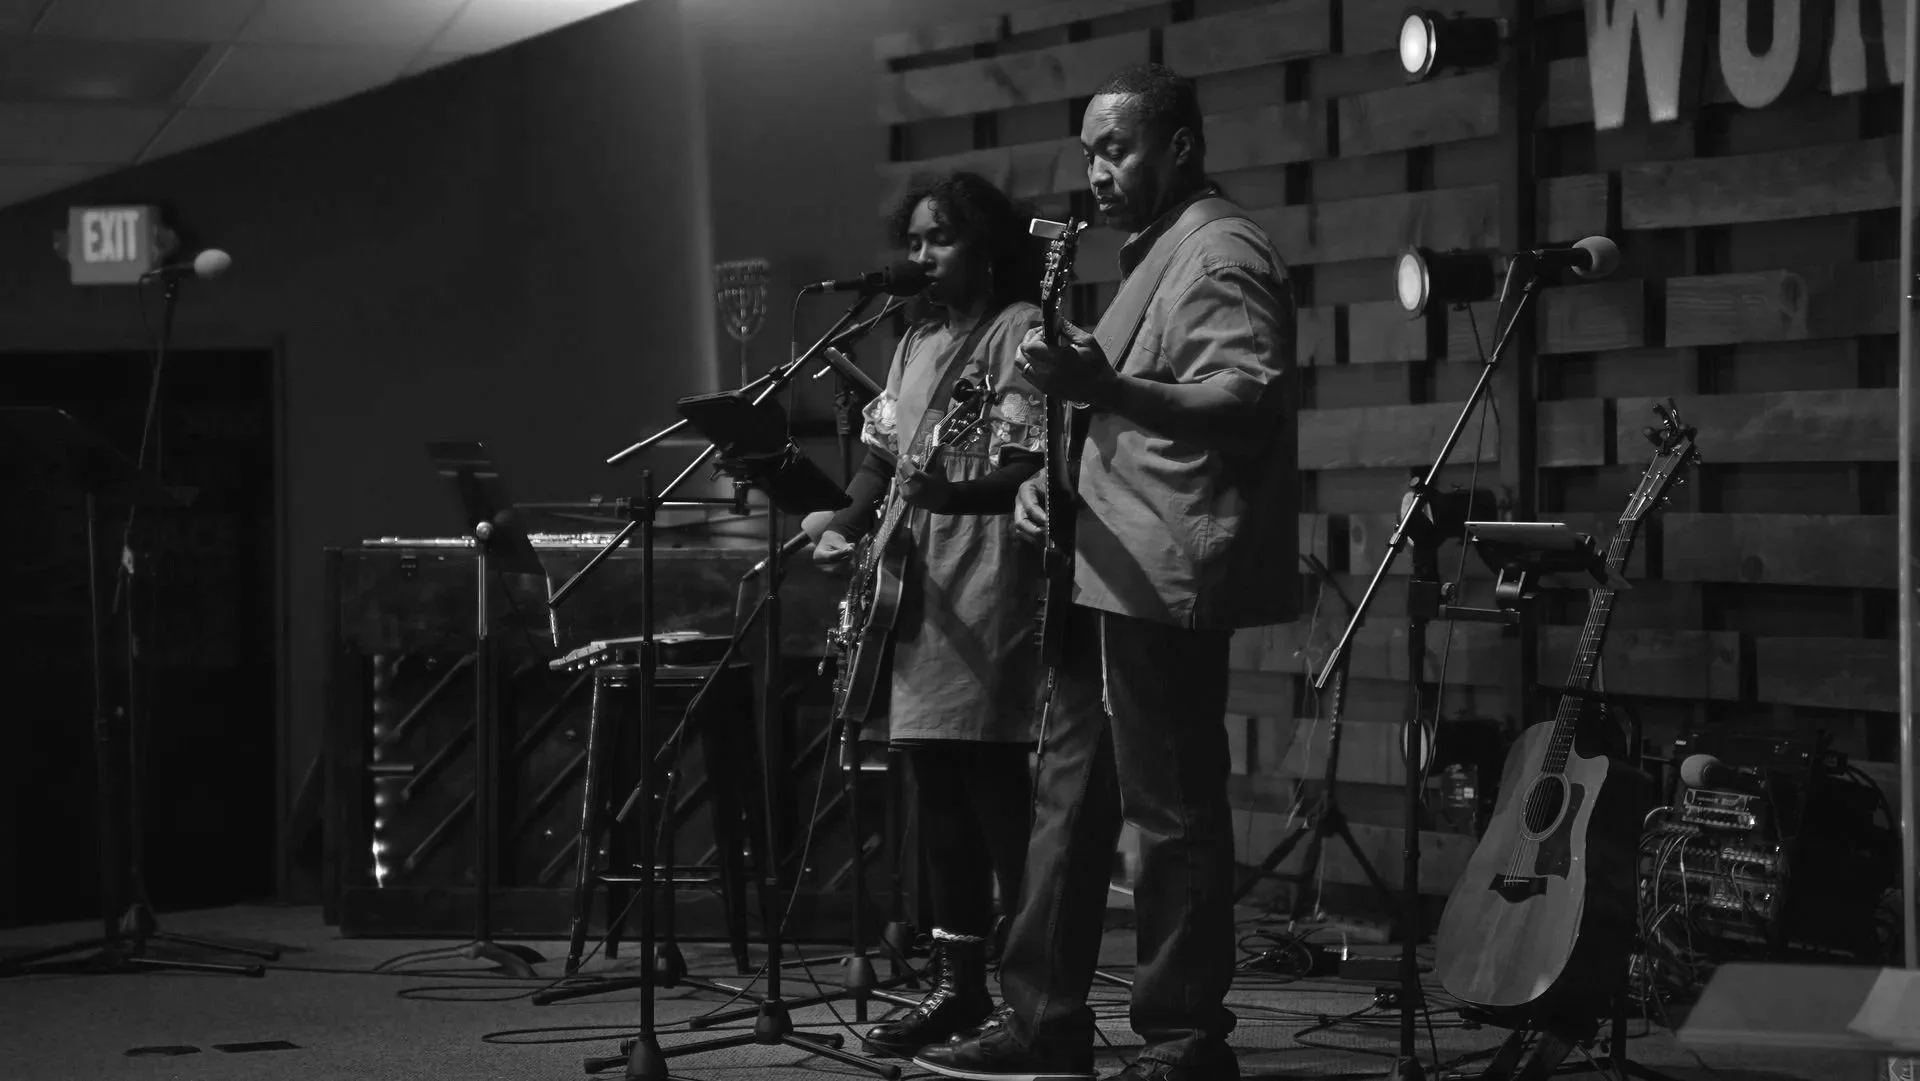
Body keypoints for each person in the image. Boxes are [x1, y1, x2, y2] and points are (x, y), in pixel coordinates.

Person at [912, 64, 1300, 1081]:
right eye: (1088, 150)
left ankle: (1182, 1041)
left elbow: (1245, 397)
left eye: (1117, 148)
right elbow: (1116, 413)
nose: (1097, 170)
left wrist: (1105, 385)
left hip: (1163, 570)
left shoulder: (1217, 251)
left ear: (1179, 147)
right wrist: (1050, 480)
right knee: (1067, 802)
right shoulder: (1153, 254)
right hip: (1101, 558)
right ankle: (1043, 1020)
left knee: (1169, 814)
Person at [810, 171, 1050, 1061]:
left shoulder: (1019, 331)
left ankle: (1036, 994)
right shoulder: (911, 342)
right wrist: (842, 523)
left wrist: (950, 492)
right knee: (935, 795)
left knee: (990, 785)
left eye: (939, 238)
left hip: (987, 577)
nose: (920, 257)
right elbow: (882, 455)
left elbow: (1036, 462)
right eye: (912, 241)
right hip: (913, 589)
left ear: (984, 242)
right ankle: (957, 988)